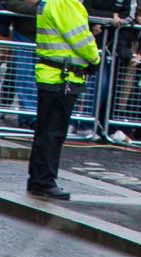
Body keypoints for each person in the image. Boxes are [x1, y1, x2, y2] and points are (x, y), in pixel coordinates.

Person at [28, 0, 99, 199]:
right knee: (54, 133)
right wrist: (95, 58)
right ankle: (44, 181)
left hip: (51, 74)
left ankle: (38, 179)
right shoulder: (66, 2)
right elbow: (80, 39)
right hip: (62, 77)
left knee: (45, 131)